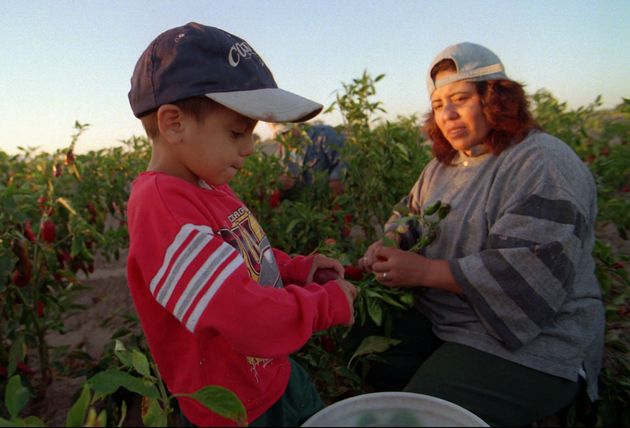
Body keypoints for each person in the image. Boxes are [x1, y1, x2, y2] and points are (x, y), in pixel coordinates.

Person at [357, 42, 605, 426]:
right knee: (360, 340)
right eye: (439, 105)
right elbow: (407, 215)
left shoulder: (541, 162)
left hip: (534, 343)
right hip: (451, 320)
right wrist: (389, 243)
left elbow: (525, 275)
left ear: (496, 100)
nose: (448, 114)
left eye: (460, 99)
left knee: (413, 418)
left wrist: (422, 271)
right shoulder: (444, 167)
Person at [125, 22, 356, 427]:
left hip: (272, 375)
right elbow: (247, 318)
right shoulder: (161, 207)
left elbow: (245, 256)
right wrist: (328, 304)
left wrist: (297, 270)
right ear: (174, 123)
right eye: (237, 132)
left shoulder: (208, 184)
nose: (249, 148)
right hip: (233, 411)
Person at [276, 124, 347, 198]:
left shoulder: (323, 134)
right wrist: (282, 182)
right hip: (306, 203)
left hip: (330, 199)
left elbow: (346, 155)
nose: (285, 137)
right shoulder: (282, 151)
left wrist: (336, 178)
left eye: (287, 132)